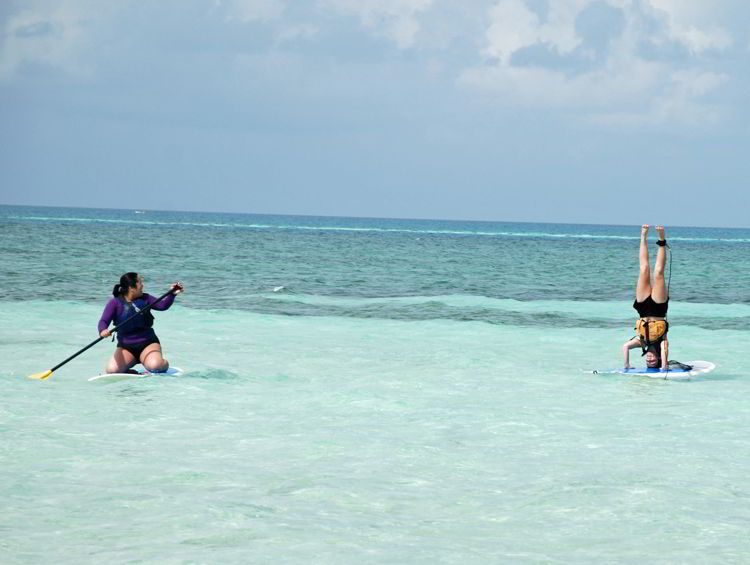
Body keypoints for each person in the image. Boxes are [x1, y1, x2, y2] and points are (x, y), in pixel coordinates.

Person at [98, 272, 184, 373]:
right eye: (140, 282)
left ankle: (162, 363)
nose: (142, 285)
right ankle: (133, 372)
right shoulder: (114, 303)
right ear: (131, 288)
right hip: (126, 347)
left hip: (148, 344)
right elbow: (103, 321)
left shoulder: (146, 298)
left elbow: (163, 305)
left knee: (156, 366)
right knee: (112, 370)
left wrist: (172, 293)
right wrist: (103, 330)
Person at [622, 225, 669, 370]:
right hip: (659, 309)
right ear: (658, 358)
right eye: (652, 361)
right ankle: (661, 240)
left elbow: (626, 346)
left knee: (644, 270)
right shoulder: (662, 344)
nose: (649, 359)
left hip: (643, 309)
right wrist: (664, 366)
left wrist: (626, 365)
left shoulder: (642, 343)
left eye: (648, 361)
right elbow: (665, 350)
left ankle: (643, 237)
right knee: (658, 273)